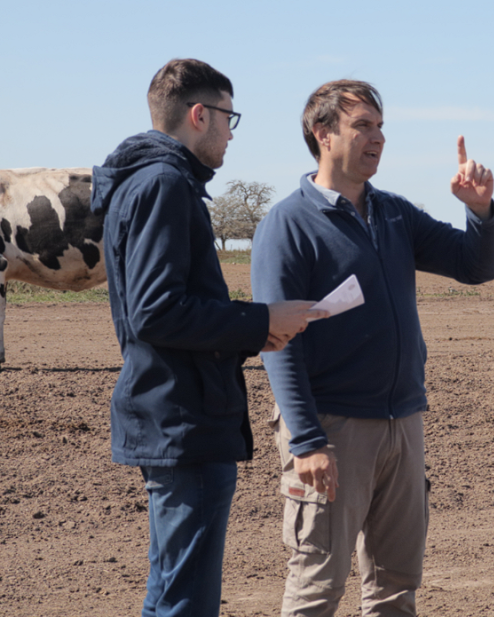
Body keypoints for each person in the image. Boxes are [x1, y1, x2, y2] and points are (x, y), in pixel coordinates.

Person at [251, 79, 494, 616]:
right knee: (317, 586)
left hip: (402, 424)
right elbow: (278, 346)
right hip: (332, 429)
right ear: (323, 134)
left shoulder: (393, 215)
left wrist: (480, 213)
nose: (378, 138)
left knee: (395, 586)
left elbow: (474, 266)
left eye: (381, 127)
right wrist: (308, 441)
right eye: (363, 125)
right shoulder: (287, 225)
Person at [90, 58, 325, 617]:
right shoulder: (165, 184)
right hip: (183, 419)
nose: (231, 132)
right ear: (200, 114)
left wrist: (248, 333)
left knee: (173, 593)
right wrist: (260, 320)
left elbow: (163, 309)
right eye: (228, 116)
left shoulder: (145, 183)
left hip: (175, 413)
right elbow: (156, 311)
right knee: (184, 602)